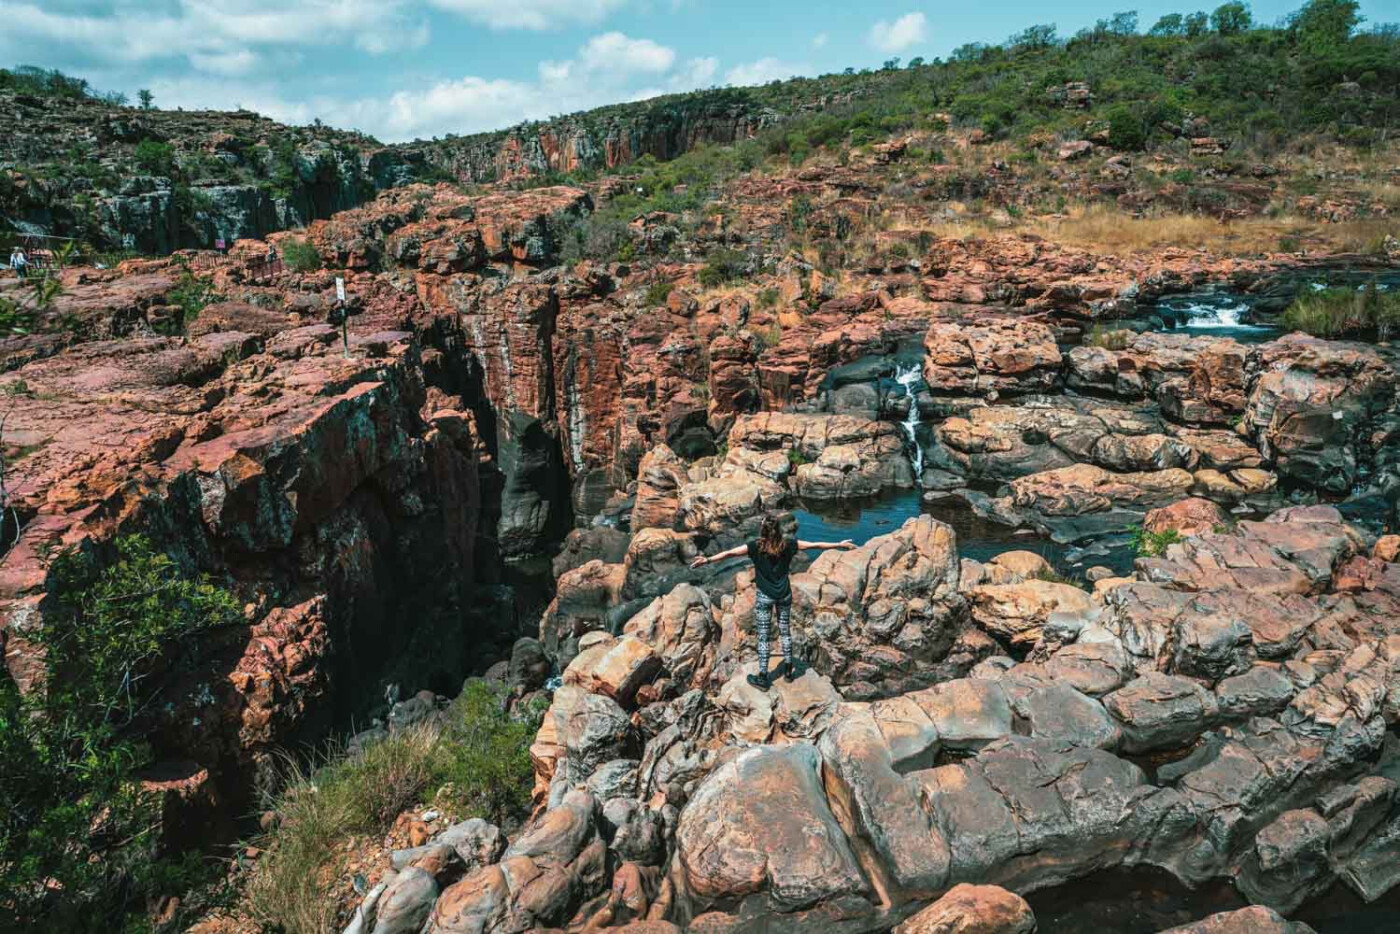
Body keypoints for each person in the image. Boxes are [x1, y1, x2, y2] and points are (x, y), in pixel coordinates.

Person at [690, 513, 855, 690]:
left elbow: (729, 553)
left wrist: (706, 560)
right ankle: (789, 671)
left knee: (763, 635)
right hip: (784, 594)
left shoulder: (755, 546)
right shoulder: (789, 544)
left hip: (765, 597)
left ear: (762, 530)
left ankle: (763, 677)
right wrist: (840, 544)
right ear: (778, 530)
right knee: (785, 630)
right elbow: (816, 545)